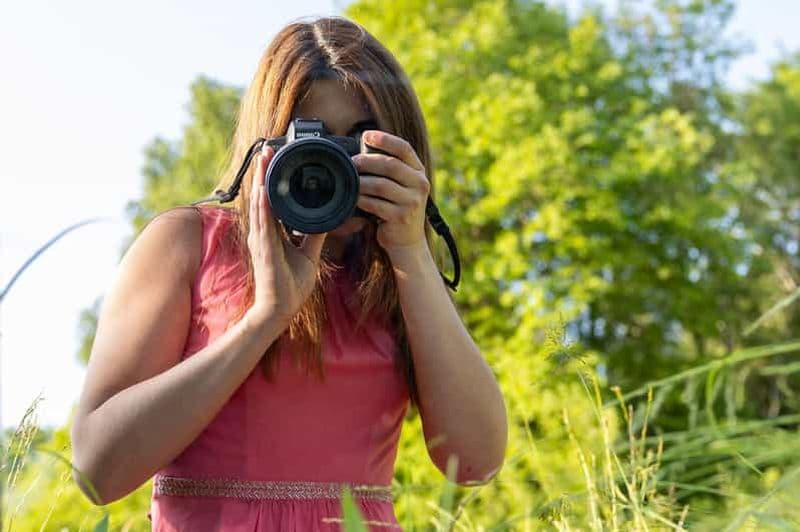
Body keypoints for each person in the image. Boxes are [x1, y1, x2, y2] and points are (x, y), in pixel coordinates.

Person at [70, 16, 507, 531]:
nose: (332, 167)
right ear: (265, 148)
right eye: (312, 141)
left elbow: (478, 462)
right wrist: (264, 319)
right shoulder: (187, 242)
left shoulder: (396, 270)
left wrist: (410, 251)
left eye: (358, 143)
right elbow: (98, 470)